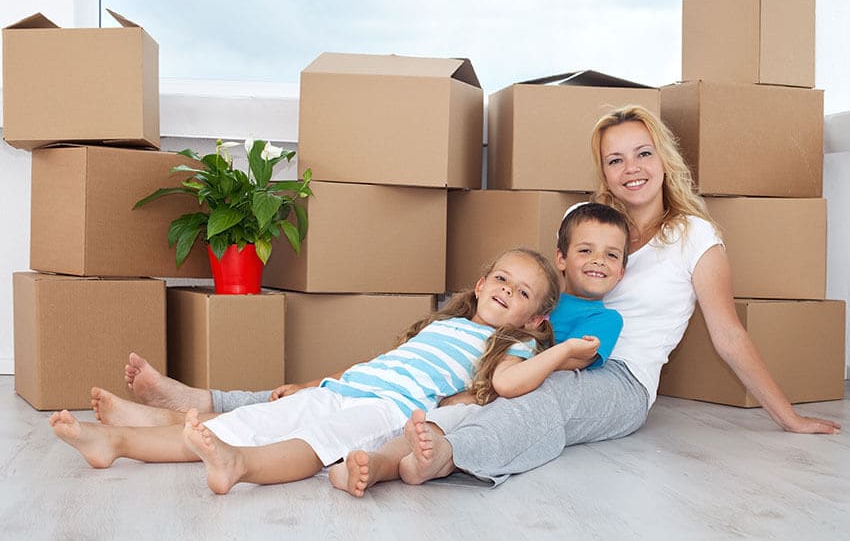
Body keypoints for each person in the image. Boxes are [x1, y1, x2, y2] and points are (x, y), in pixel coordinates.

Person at [392, 104, 841, 488]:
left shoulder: (695, 238)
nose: (632, 170)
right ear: (604, 169)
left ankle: (448, 456)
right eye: (616, 160)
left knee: (551, 395)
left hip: (621, 381)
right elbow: (551, 301)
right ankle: (380, 450)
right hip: (543, 352)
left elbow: (728, 335)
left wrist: (789, 418)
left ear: (664, 159)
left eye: (644, 154)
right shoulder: (583, 220)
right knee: (459, 375)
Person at [50, 248, 588, 494]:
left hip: (382, 411)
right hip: (349, 387)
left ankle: (241, 467)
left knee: (312, 442)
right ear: (479, 284)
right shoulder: (441, 324)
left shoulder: (512, 344)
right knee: (240, 423)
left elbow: (507, 385)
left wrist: (559, 353)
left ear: (536, 317)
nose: (504, 291)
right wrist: (311, 384)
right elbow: (374, 364)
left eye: (521, 293)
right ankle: (116, 442)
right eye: (500, 278)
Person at [328, 201, 631, 497]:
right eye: (585, 250)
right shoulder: (535, 295)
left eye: (611, 255)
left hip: (501, 389)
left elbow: (575, 359)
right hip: (468, 373)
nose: (598, 261)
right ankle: (364, 459)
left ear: (622, 272)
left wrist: (494, 385)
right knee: (416, 418)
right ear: (561, 259)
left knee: (437, 427)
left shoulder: (605, 319)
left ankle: (381, 466)